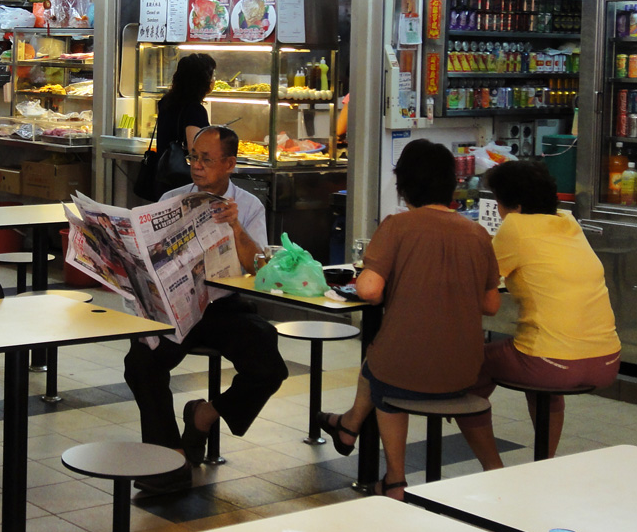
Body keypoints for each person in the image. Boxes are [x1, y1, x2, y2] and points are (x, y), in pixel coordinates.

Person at [319, 139, 500, 500]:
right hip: (465, 369)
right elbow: (491, 305)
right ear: (451, 183)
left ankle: (396, 478)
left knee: (383, 363)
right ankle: (349, 427)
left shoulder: (397, 226)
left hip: (405, 368)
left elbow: (369, 290)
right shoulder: (477, 233)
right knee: (383, 356)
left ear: (403, 185)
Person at [123, 125, 287, 494]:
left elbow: (259, 268)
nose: (196, 166)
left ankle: (203, 416)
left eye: (206, 160)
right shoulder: (173, 197)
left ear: (229, 164)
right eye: (193, 157)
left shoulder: (248, 205)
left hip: (223, 308)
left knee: (269, 362)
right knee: (140, 363)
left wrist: (235, 230)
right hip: (177, 307)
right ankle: (168, 458)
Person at [457, 161, 620, 469]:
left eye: (499, 203)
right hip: (607, 361)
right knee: (544, 372)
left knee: (471, 369)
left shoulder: (516, 227)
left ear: (514, 206)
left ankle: (494, 469)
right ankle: (544, 466)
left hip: (551, 364)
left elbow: (481, 282)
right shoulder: (568, 221)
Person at [144, 53, 215, 199]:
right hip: (182, 182)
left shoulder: (166, 102)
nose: (214, 81)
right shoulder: (194, 110)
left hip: (163, 176)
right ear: (202, 81)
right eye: (212, 76)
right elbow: (195, 149)